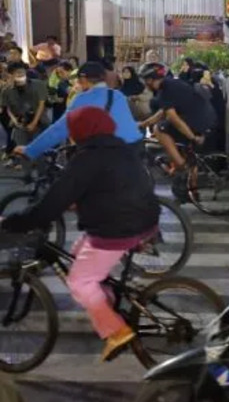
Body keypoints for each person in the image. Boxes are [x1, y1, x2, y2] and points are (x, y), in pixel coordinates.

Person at [1, 107, 160, 361]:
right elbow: (109, 185)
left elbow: (52, 204)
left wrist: (14, 222)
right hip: (142, 218)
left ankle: (116, 330)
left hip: (118, 228)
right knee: (77, 252)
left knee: (79, 282)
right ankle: (104, 304)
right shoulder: (120, 149)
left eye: (72, 131)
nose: (71, 136)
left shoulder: (87, 159)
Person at [17, 61, 143, 161]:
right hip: (134, 150)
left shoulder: (83, 99)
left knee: (74, 185)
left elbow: (60, 128)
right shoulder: (118, 95)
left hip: (109, 155)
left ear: (83, 79)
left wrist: (30, 150)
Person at [137, 63, 216, 183]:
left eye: (144, 80)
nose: (144, 84)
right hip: (205, 118)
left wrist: (192, 137)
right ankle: (192, 191)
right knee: (188, 153)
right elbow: (163, 112)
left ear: (150, 79)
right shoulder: (171, 84)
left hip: (196, 120)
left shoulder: (165, 90)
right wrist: (143, 124)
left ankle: (181, 165)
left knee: (159, 129)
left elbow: (173, 118)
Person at [1, 62, 48, 149]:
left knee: (37, 149)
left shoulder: (38, 84)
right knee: (22, 150)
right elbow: (7, 108)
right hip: (21, 125)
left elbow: (41, 105)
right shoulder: (6, 90)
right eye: (15, 74)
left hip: (39, 122)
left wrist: (34, 123)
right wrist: (14, 119)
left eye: (21, 72)